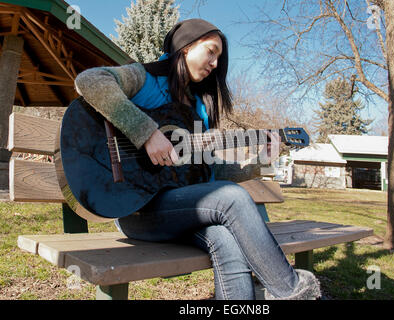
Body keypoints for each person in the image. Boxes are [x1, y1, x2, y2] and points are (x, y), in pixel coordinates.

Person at [74, 18, 320, 300]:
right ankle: (292, 291)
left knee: (225, 239)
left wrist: (260, 162)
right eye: (212, 51)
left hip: (181, 211)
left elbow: (209, 171)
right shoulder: (145, 78)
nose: (215, 63)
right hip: (135, 209)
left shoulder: (198, 109)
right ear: (187, 46)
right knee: (233, 196)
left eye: (219, 57)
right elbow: (90, 81)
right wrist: (147, 133)